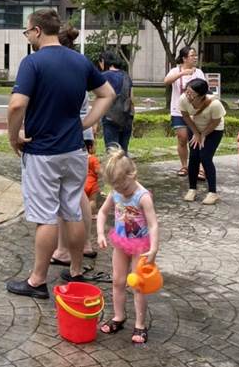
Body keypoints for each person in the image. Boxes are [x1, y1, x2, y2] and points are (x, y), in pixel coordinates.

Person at [6, 9, 115, 299]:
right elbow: (108, 94)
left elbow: (17, 105)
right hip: (74, 151)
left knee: (46, 218)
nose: (28, 36)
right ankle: (76, 271)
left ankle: (37, 280)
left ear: (38, 31)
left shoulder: (33, 62)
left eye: (27, 31)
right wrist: (87, 123)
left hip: (43, 152)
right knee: (72, 211)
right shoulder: (79, 61)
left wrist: (13, 136)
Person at [96, 146, 159, 345]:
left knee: (137, 284)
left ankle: (140, 323)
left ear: (132, 174)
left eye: (124, 187)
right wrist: (99, 233)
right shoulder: (115, 192)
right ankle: (118, 316)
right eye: (117, 188)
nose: (121, 192)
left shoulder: (143, 197)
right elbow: (103, 212)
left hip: (140, 246)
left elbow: (153, 224)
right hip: (121, 243)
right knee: (117, 281)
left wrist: (154, 248)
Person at [49, 26, 98, 267]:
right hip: (81, 136)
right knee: (78, 193)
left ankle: (63, 250)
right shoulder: (79, 65)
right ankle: (84, 245)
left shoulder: (61, 69)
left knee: (67, 195)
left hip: (66, 137)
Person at [179, 77, 226, 205]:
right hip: (195, 128)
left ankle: (212, 193)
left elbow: (216, 121)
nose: (187, 95)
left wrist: (204, 134)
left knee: (205, 157)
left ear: (201, 96)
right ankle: (192, 189)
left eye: (191, 93)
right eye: (187, 91)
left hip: (214, 130)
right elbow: (185, 116)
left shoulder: (214, 104)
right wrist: (196, 133)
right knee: (194, 156)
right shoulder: (184, 99)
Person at [164, 47, 206, 176]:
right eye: (192, 55)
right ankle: (184, 166)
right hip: (178, 111)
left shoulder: (198, 72)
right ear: (184, 58)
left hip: (195, 111)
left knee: (196, 139)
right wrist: (182, 73)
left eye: (195, 55)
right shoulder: (175, 70)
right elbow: (166, 81)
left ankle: (200, 168)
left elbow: (204, 89)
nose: (195, 58)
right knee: (182, 138)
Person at [98, 51, 134, 153]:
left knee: (112, 153)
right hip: (126, 118)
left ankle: (114, 169)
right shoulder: (126, 76)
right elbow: (132, 99)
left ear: (104, 61)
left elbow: (100, 99)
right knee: (124, 151)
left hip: (110, 118)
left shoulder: (103, 76)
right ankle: (125, 169)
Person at [85, 138, 101, 217]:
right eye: (95, 146)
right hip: (92, 183)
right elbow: (98, 170)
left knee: (82, 200)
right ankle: (92, 214)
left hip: (82, 183)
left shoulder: (81, 158)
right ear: (90, 148)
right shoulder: (93, 158)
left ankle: (82, 214)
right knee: (92, 200)